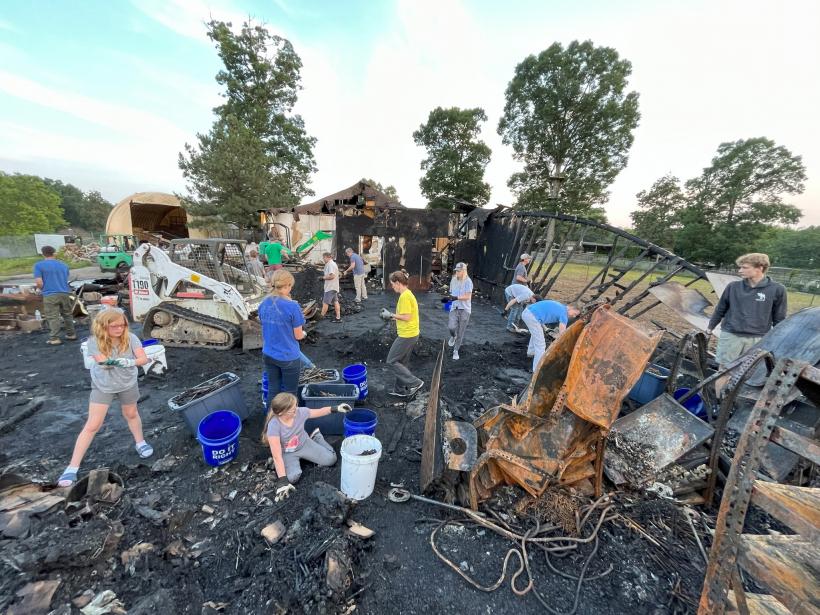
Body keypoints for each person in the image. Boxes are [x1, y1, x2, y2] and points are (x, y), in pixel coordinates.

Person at [57, 309, 154, 486]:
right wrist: (114, 362)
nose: (119, 329)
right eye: (114, 326)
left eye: (122, 324)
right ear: (104, 326)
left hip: (127, 383)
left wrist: (130, 362)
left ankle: (140, 443)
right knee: (93, 424)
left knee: (131, 414)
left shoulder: (131, 338)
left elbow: (143, 359)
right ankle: (72, 467)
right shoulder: (94, 341)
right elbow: (103, 361)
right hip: (103, 386)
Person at [706, 253, 787, 390]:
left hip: (758, 339)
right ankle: (718, 403)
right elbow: (721, 309)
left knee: (748, 375)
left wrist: (778, 342)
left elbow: (779, 318)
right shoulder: (733, 287)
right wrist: (710, 328)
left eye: (744, 267)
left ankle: (733, 405)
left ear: (760, 268)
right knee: (724, 371)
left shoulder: (777, 290)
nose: (740, 271)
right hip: (731, 336)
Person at [263, 392, 347, 501]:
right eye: (292, 409)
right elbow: (277, 455)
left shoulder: (299, 412)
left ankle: (317, 437)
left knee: (331, 460)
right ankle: (295, 465)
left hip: (304, 444)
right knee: (292, 479)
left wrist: (336, 408)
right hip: (287, 453)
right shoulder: (274, 425)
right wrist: (283, 481)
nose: (296, 410)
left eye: (296, 406)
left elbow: (319, 411)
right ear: (280, 413)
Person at [259, 269, 306, 397]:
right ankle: (288, 417)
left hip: (268, 354)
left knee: (273, 390)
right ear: (287, 286)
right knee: (290, 393)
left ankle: (270, 417)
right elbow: (298, 336)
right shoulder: (293, 306)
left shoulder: (263, 304)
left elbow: (266, 326)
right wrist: (304, 334)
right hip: (288, 357)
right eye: (290, 286)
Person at [382, 271, 424, 397]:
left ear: (398, 283)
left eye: (392, 284)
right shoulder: (408, 294)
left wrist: (391, 315)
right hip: (412, 333)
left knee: (391, 360)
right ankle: (399, 390)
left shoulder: (405, 296)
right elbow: (406, 316)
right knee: (402, 363)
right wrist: (391, 317)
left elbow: (406, 317)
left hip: (407, 335)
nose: (392, 286)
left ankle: (415, 383)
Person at [33, 245, 77, 345]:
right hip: (65, 293)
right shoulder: (64, 265)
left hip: (50, 294)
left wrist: (39, 289)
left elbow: (39, 282)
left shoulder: (39, 265)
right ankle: (71, 334)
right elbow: (64, 278)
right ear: (54, 253)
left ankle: (55, 338)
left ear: (43, 254)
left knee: (53, 316)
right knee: (67, 314)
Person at [522, 300, 581, 371]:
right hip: (532, 316)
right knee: (541, 345)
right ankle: (537, 369)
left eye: (575, 315)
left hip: (528, 312)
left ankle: (530, 352)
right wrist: (564, 343)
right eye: (574, 313)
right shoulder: (564, 313)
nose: (574, 316)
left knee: (536, 334)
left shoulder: (560, 306)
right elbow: (562, 331)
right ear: (571, 308)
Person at [445, 262, 473, 361]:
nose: (457, 272)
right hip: (454, 308)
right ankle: (453, 336)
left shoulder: (468, 282)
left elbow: (468, 296)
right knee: (451, 327)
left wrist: (456, 297)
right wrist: (447, 305)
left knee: (461, 331)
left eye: (458, 271)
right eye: (456, 271)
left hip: (465, 309)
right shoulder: (453, 280)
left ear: (464, 271)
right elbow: (451, 294)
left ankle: (456, 350)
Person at [319, 252, 342, 323]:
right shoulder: (332, 263)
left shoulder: (330, 264)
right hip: (334, 286)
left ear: (327, 257)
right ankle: (338, 318)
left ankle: (320, 318)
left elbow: (332, 276)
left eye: (324, 258)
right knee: (335, 301)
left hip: (330, 287)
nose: (323, 259)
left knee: (325, 302)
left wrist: (323, 278)